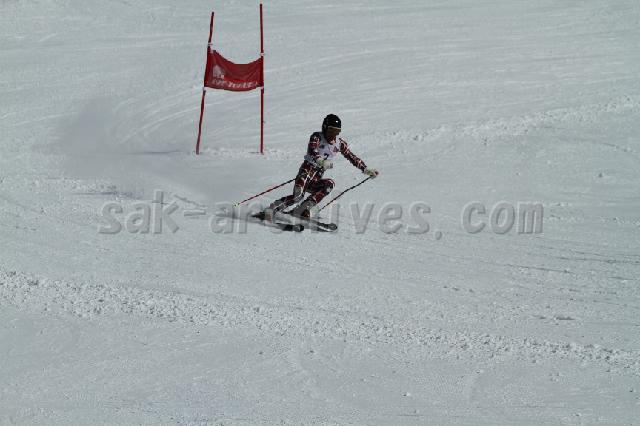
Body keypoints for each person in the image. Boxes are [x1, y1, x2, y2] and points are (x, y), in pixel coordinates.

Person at [265, 114, 379, 221]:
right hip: (306, 172)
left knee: (329, 184)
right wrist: (320, 160)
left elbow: (351, 157)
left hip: (317, 177)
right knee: (298, 197)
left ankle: (302, 210)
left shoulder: (339, 144)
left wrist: (365, 169)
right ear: (324, 128)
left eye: (336, 131)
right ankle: (272, 209)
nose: (333, 135)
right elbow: (312, 149)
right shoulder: (317, 137)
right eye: (331, 131)